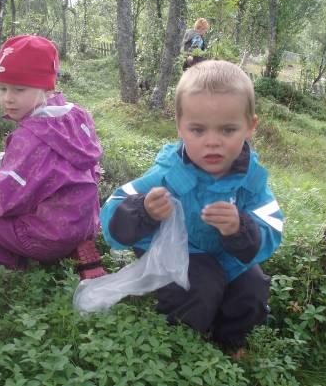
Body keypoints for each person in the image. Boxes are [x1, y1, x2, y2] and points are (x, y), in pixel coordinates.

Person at [100, 60, 283, 358]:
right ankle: (185, 346)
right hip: (181, 252)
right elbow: (112, 214)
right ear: (179, 125)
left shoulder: (251, 180)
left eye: (227, 129)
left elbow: (272, 225)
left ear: (250, 127)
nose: (212, 142)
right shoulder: (169, 175)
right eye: (198, 130)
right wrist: (144, 211)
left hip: (228, 255)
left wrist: (241, 229)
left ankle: (229, 341)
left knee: (252, 289)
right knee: (201, 286)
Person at [0, 35, 106, 280]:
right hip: (83, 223)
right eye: (2, 88)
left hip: (47, 237)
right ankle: (77, 244)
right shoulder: (75, 117)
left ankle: (11, 270)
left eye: (19, 89)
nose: (8, 98)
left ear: (47, 88)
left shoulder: (31, 137)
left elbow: (6, 199)